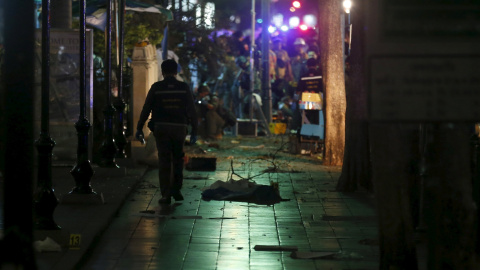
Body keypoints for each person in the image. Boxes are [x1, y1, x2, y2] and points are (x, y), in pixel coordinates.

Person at [136, 59, 198, 204]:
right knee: (178, 158)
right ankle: (176, 189)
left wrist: (139, 127)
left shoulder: (157, 87)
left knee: (164, 160)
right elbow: (192, 110)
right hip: (179, 128)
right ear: (176, 72)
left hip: (161, 127)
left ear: (162, 72)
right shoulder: (183, 87)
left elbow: (146, 108)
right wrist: (195, 130)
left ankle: (166, 194)